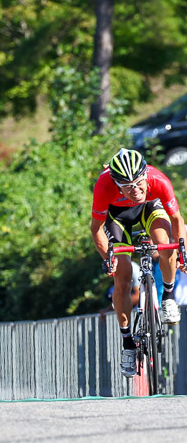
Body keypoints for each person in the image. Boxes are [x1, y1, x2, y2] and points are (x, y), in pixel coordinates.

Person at [91, 148, 187, 378]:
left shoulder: (158, 180)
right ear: (116, 184)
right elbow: (96, 229)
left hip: (150, 208)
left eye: (139, 182)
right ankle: (127, 344)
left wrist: (182, 251)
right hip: (117, 217)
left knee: (165, 244)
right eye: (128, 186)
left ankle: (168, 297)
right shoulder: (104, 186)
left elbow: (177, 219)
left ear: (146, 175)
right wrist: (108, 258)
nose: (136, 190)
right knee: (122, 275)